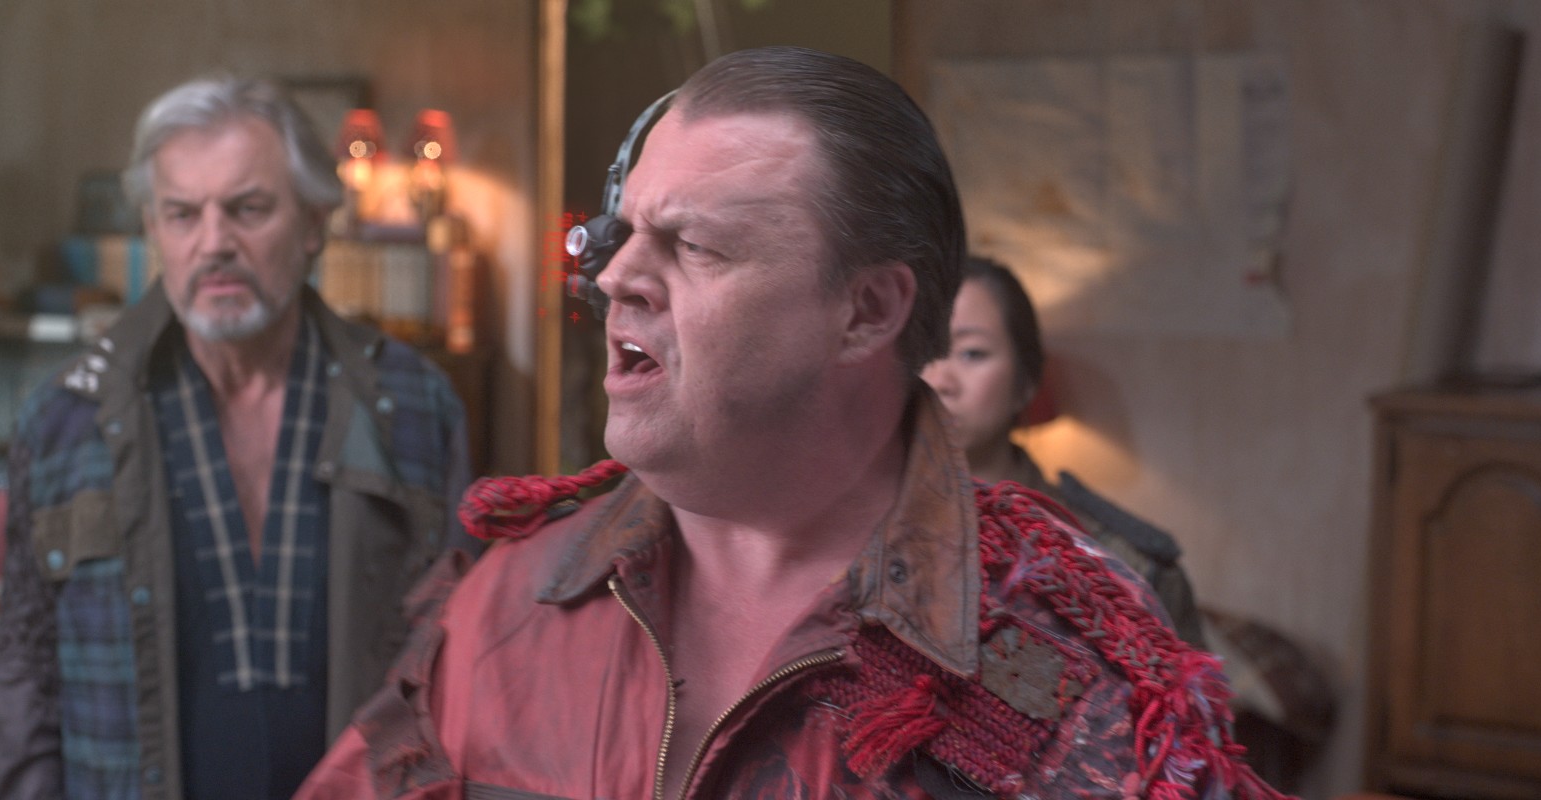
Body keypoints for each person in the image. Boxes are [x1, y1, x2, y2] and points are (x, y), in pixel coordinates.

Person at [298, 47, 1282, 799]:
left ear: (867, 310)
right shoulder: (507, 601)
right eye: (624, 233)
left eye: (693, 245)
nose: (616, 277)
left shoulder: (1080, 678)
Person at [0, 75, 474, 800]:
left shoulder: (414, 405)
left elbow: (464, 660)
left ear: (313, 223)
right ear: (154, 230)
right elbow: (25, 672)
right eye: (183, 214)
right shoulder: (65, 421)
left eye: (248, 209)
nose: (214, 244)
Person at [922, 257, 1207, 649]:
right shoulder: (853, 532)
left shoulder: (1121, 564)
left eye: (972, 353)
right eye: (921, 351)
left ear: (1026, 382)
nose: (939, 380)